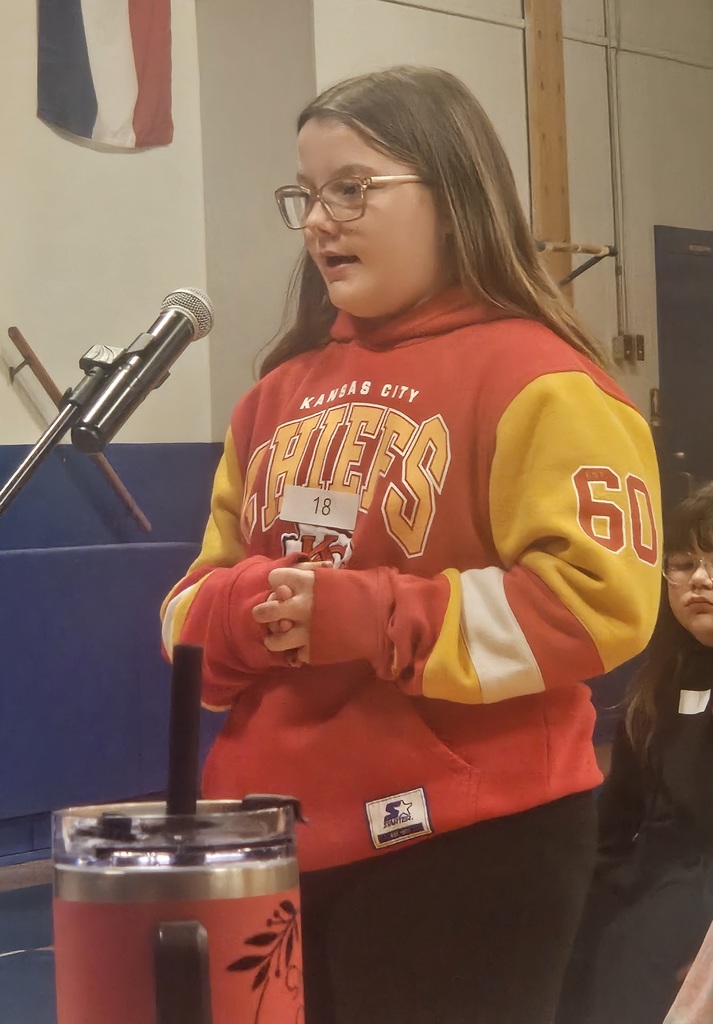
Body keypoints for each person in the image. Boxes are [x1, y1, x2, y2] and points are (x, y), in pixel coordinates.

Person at [160, 66, 662, 1024]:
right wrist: (249, 613)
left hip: (469, 839)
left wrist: (367, 614)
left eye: (352, 188)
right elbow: (190, 604)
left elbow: (596, 607)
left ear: (454, 193)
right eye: (307, 194)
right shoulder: (272, 394)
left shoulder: (543, 380)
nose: (319, 221)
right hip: (264, 835)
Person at [556, 483, 713, 1024]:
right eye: (684, 564)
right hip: (649, 889)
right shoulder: (653, 687)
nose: (699, 579)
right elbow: (617, 823)